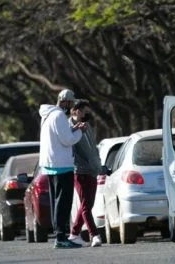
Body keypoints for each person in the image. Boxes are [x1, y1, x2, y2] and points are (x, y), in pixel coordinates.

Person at [39, 89, 87, 249]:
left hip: (51, 165)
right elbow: (67, 140)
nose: (72, 106)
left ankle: (59, 234)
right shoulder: (59, 116)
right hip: (61, 165)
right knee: (63, 203)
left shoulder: (48, 115)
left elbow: (59, 135)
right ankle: (60, 237)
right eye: (71, 103)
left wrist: (73, 129)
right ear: (65, 102)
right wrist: (80, 131)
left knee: (56, 202)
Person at [68, 100, 103, 247]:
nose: (87, 114)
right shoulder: (69, 127)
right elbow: (68, 143)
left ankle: (74, 234)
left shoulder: (88, 127)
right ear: (76, 111)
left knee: (88, 204)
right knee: (86, 206)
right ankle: (94, 235)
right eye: (84, 112)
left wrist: (98, 164)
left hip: (93, 170)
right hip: (80, 170)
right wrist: (76, 130)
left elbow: (93, 148)